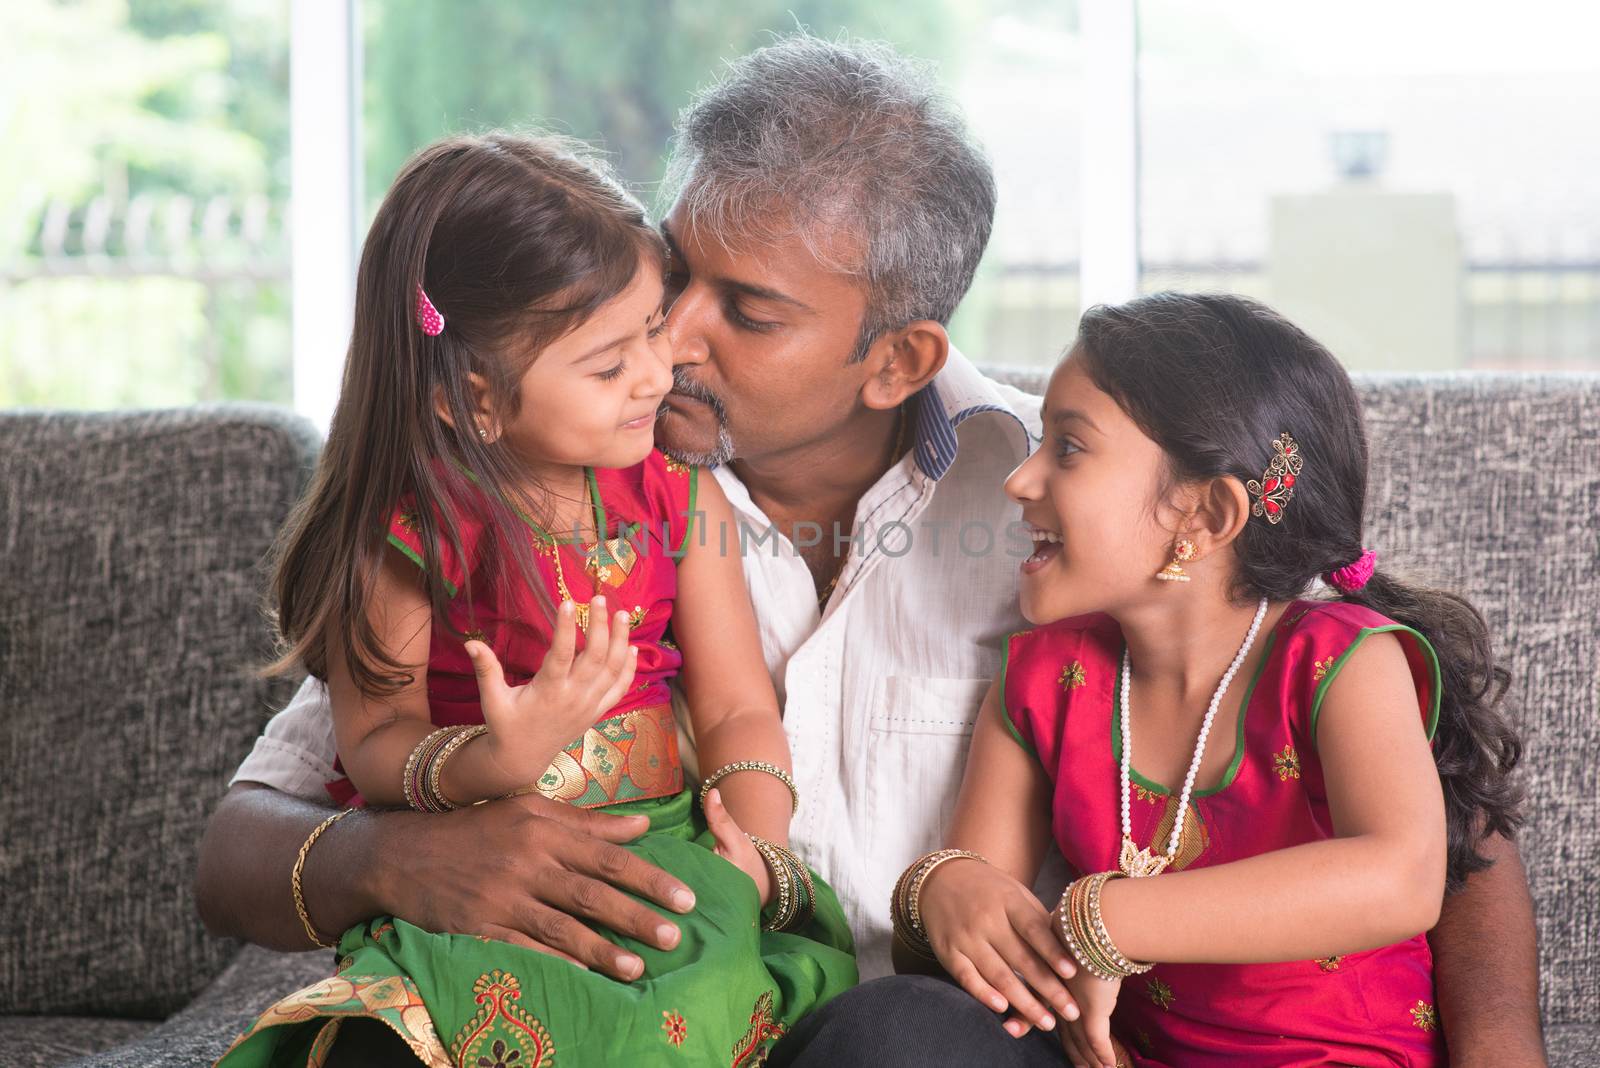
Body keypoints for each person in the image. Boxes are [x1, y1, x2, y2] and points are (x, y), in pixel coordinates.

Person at [196, 34, 1547, 1067]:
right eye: (673, 274)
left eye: (752, 311)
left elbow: (1437, 811)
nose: (672, 338)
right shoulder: (551, 492)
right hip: (600, 1006)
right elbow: (246, 839)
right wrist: (395, 861)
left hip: (905, 1037)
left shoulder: (1078, 504)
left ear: (896, 355)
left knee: (900, 1036)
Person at [213, 132, 855, 1067]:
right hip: (478, 869)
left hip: (669, 856)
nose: (656, 371)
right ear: (473, 401)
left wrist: (754, 850)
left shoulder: (678, 492)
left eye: (650, 326)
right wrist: (492, 759)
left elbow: (734, 706)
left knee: (705, 987)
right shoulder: (406, 539)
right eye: (607, 365)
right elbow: (378, 743)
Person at [888, 293, 1525, 1066]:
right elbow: (987, 965)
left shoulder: (1338, 662)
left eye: (1069, 448)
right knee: (893, 1023)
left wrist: (1109, 916)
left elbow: (1401, 876)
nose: (1019, 482)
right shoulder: (1044, 677)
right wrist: (941, 893)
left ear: (1208, 515)